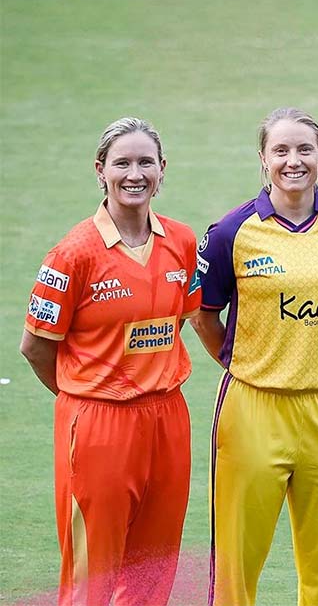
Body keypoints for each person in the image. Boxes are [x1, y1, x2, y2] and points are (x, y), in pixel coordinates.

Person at [190, 108, 318, 606]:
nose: (294, 161)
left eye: (304, 150)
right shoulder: (231, 232)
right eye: (281, 151)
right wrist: (247, 362)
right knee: (235, 571)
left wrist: (310, 351)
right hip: (254, 409)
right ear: (263, 160)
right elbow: (205, 317)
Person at [20, 117, 200, 605]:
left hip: (167, 418)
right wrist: (85, 394)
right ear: (101, 170)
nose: (134, 174)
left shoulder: (181, 242)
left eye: (146, 162)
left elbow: (174, 322)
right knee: (93, 574)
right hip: (98, 421)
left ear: (163, 170)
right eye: (122, 163)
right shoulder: (72, 254)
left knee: (153, 567)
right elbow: (35, 346)